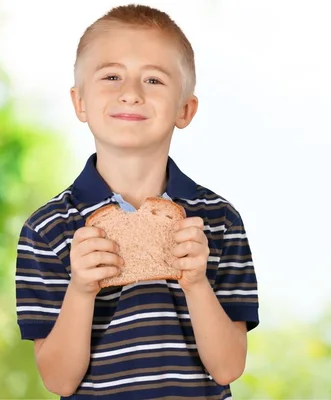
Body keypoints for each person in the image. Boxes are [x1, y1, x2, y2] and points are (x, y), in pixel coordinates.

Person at [14, 4, 259, 399]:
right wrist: (80, 289)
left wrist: (196, 284)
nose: (131, 93)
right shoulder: (47, 229)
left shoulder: (219, 221)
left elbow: (229, 367)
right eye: (111, 76)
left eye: (154, 80)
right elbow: (58, 381)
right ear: (80, 103)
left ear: (185, 109)